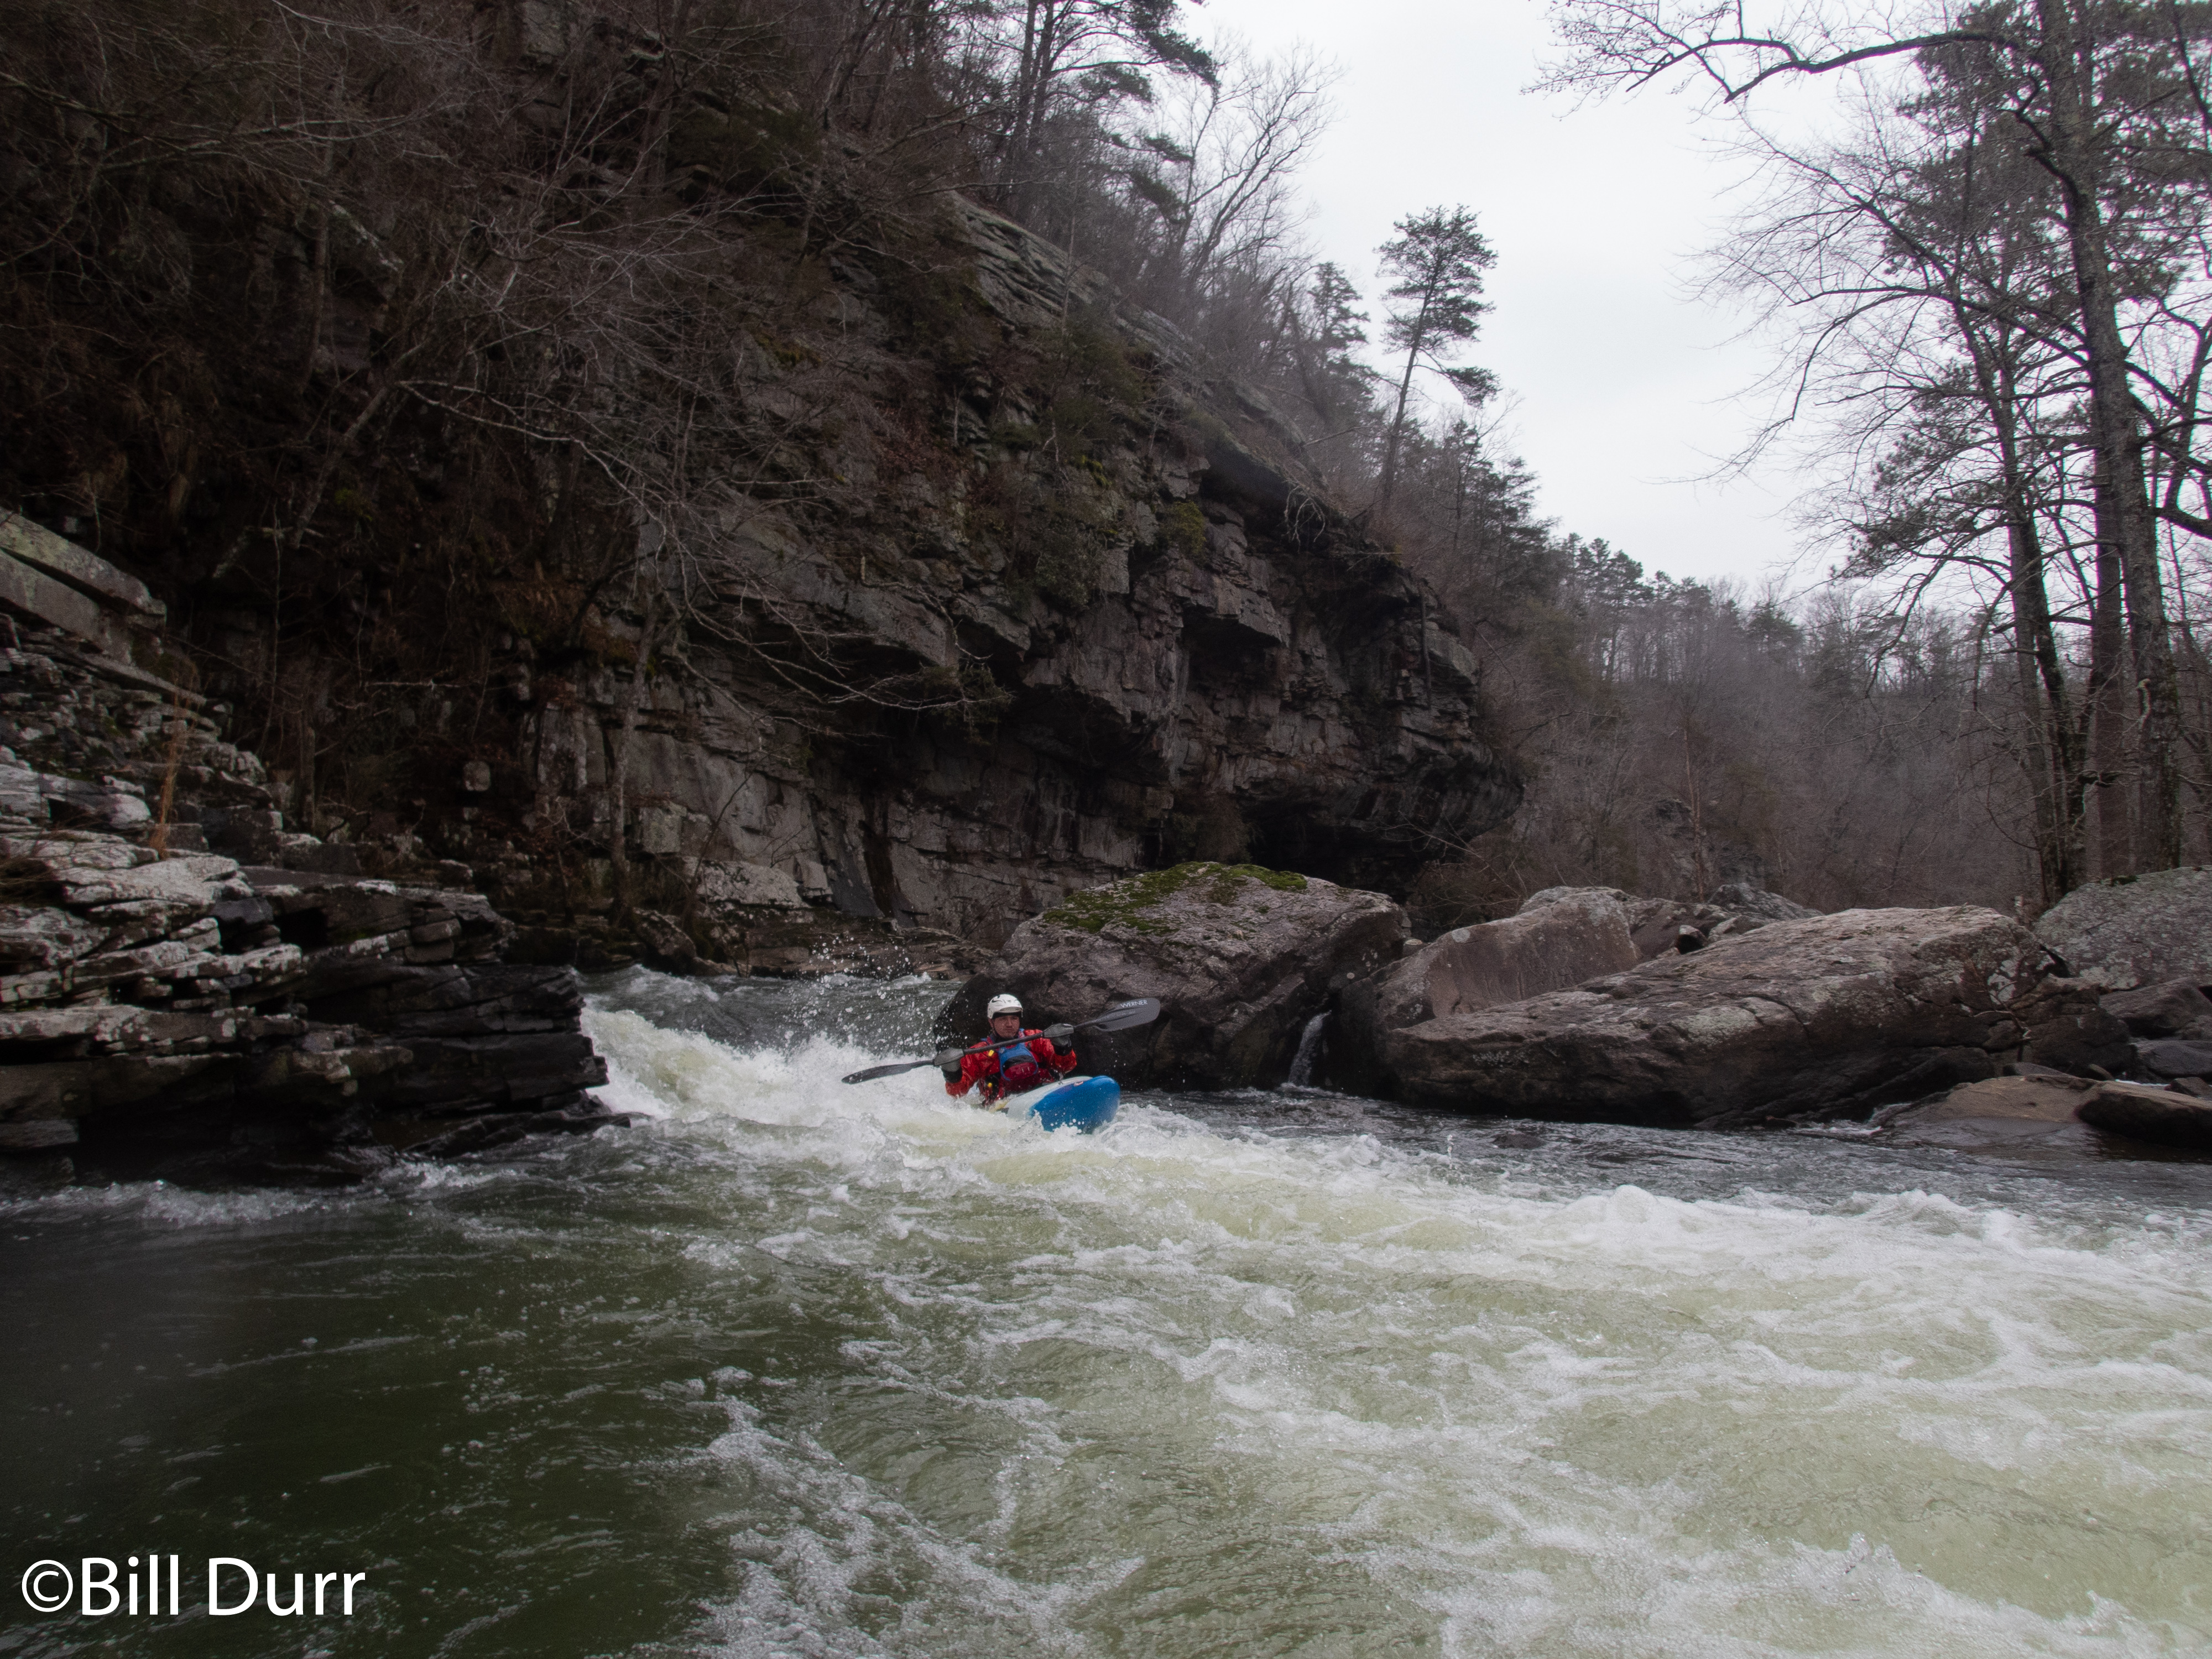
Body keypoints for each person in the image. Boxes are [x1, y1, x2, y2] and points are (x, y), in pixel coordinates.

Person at [938, 993, 1077, 1107]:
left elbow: (1066, 1067)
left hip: (1045, 1093)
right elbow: (957, 1092)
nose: (1010, 1024)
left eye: (1014, 1018)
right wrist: (952, 1072)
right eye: (1003, 1019)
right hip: (1002, 1107)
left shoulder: (1036, 1039)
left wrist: (1063, 1046)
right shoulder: (979, 1054)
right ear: (991, 1022)